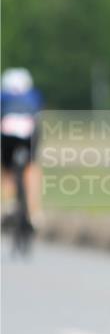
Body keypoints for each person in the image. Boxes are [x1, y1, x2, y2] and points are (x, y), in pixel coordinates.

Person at [1, 68, 43, 227]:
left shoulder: (3, 96)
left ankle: (9, 203)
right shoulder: (34, 95)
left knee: (6, 168)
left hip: (7, 132)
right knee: (32, 167)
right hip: (29, 132)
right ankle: (34, 211)